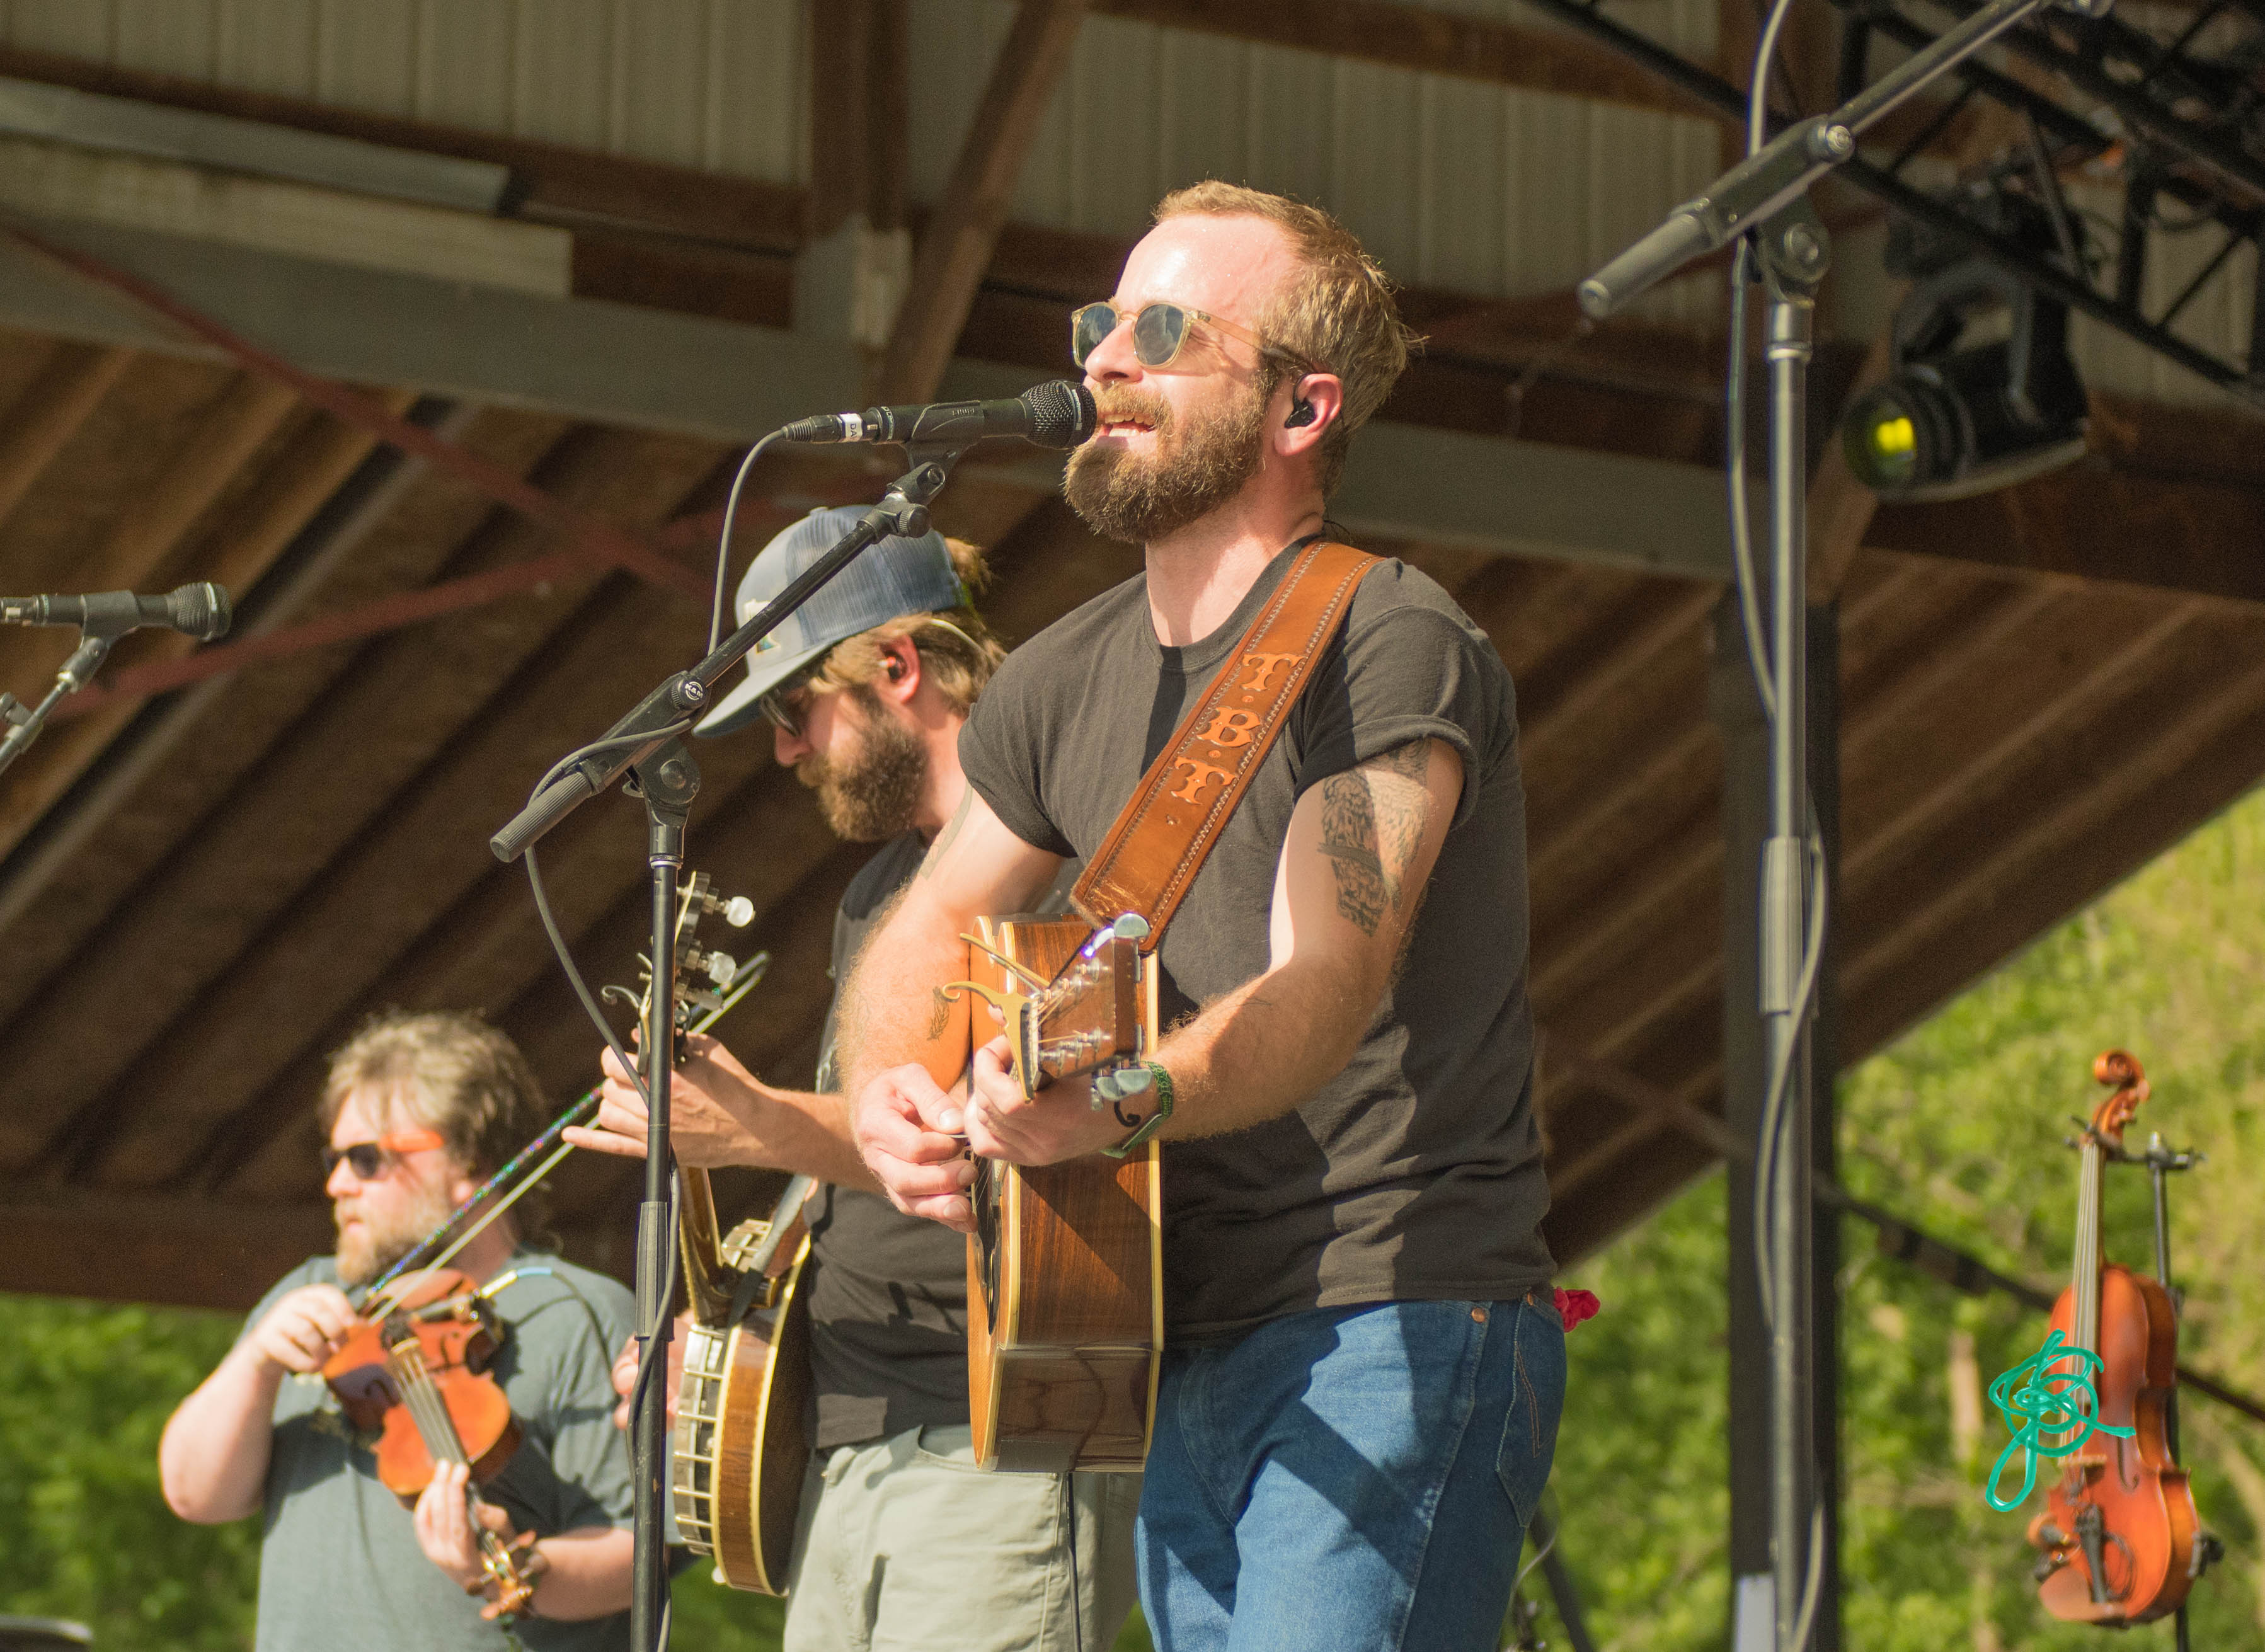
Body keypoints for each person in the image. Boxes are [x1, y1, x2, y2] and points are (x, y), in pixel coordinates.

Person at [840, 181, 1566, 1651]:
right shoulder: (1052, 678)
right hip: (1167, 1333)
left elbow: (1328, 974)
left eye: (1161, 329)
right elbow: (925, 926)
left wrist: (1116, 1093)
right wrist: (883, 1095)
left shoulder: (1384, 632)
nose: (1103, 359)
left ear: (1300, 413)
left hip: (1387, 1308)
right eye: (1101, 321)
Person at [565, 508, 1139, 1651]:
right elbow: (865, 1172)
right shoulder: (878, 895)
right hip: (849, 1451)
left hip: (1000, 1443)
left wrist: (762, 1125)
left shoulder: (1076, 847)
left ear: (897, 665)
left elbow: (1002, 1137)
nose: (782, 749)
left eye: (792, 709)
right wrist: (727, 1347)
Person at [159, 1011, 637, 1649]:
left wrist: (499, 1569)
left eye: (366, 1159)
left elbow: (638, 1556)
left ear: (469, 1158)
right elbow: (196, 1497)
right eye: (334, 1158)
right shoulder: (311, 1295)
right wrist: (255, 1364)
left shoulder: (581, 1312)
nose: (336, 1185)